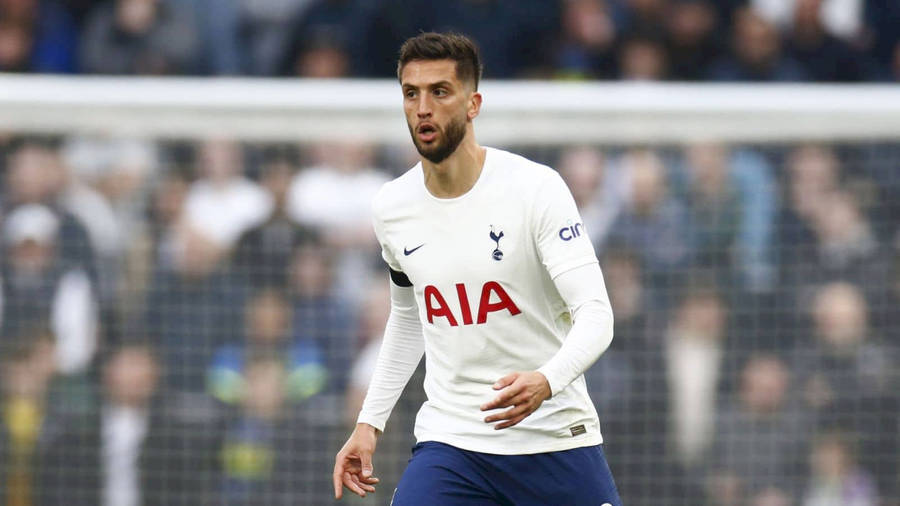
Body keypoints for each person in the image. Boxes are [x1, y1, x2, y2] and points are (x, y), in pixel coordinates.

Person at [332, 32, 620, 505]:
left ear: (473, 104)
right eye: (411, 93)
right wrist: (369, 422)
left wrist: (547, 379)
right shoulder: (393, 207)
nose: (423, 107)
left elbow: (596, 315)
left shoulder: (535, 189)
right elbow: (410, 318)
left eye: (439, 91)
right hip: (453, 444)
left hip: (553, 439)